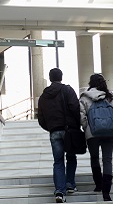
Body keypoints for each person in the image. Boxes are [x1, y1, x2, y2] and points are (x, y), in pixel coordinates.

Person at [37, 68, 81, 203]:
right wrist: (77, 125)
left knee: (58, 161)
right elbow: (75, 108)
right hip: (69, 130)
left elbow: (41, 118)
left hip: (54, 132)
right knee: (71, 157)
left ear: (50, 78)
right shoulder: (67, 90)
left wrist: (51, 128)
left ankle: (60, 191)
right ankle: (70, 184)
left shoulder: (43, 96)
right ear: (61, 77)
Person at [79, 74, 113, 201]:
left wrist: (88, 128)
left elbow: (82, 117)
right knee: (107, 160)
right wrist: (111, 127)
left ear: (90, 83)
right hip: (109, 134)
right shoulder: (110, 98)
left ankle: (98, 185)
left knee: (94, 158)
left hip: (92, 134)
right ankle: (106, 192)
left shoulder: (84, 98)